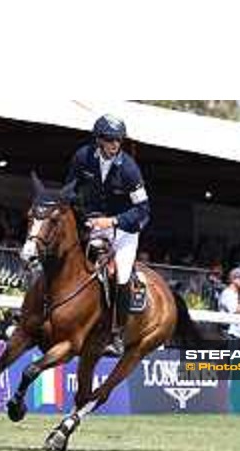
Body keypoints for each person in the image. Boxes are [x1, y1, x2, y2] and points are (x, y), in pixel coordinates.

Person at [66, 114, 151, 356]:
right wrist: (78, 214)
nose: (114, 144)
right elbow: (71, 188)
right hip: (93, 224)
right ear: (98, 139)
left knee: (121, 276)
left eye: (118, 140)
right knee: (63, 252)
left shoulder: (130, 170)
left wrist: (113, 221)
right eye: (109, 139)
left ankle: (117, 334)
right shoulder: (83, 157)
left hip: (124, 230)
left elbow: (144, 210)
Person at [218, 267, 240, 340]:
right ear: (233, 279)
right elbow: (236, 311)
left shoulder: (238, 294)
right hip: (231, 335)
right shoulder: (228, 293)